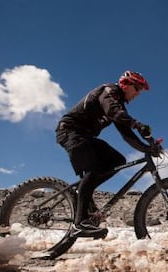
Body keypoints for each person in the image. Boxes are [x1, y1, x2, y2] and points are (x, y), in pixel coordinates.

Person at [55, 70, 160, 238]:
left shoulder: (120, 107)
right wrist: (137, 124)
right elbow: (114, 112)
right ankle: (79, 223)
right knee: (93, 169)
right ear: (126, 84)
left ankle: (85, 192)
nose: (138, 93)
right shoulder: (109, 91)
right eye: (137, 88)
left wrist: (148, 148)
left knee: (118, 160)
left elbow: (127, 135)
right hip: (70, 131)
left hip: (85, 137)